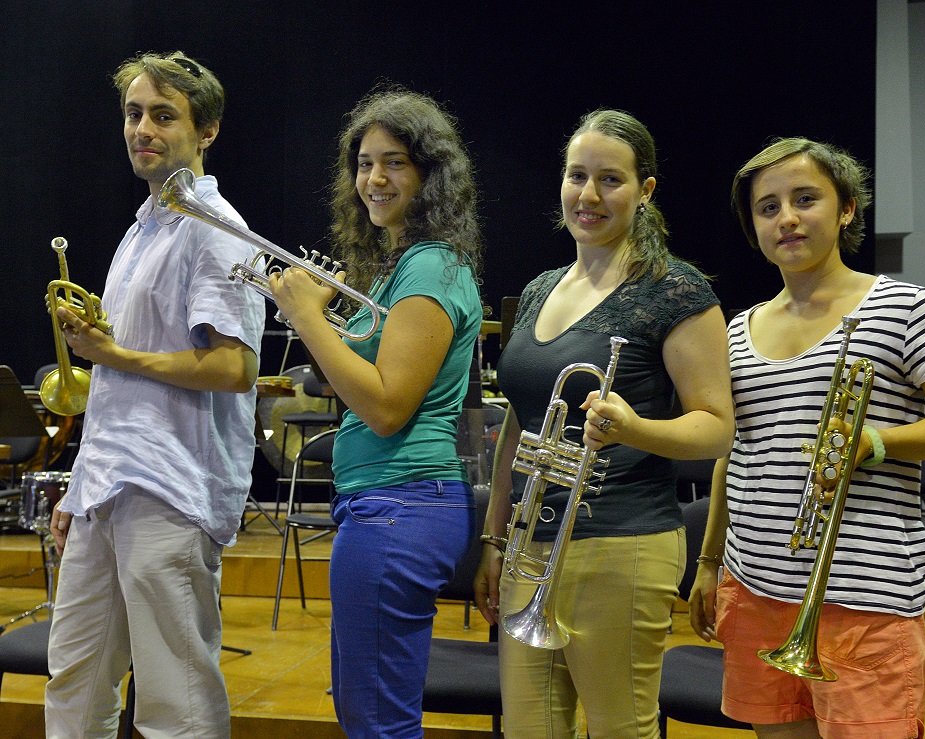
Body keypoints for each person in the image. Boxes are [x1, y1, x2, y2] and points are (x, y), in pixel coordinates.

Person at [689, 137, 925, 739]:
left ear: (847, 209)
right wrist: (709, 562)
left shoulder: (907, 309)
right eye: (767, 207)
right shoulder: (734, 330)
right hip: (754, 585)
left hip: (866, 593)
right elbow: (733, 456)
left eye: (806, 198)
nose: (787, 218)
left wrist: (876, 442)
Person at [472, 109, 735, 739]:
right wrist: (493, 536)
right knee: (529, 731)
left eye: (609, 180)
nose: (587, 196)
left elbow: (717, 427)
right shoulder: (539, 289)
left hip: (623, 543)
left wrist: (633, 429)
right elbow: (522, 422)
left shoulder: (675, 290)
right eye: (576, 176)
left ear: (645, 191)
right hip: (529, 546)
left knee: (619, 728)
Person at [44, 51, 265, 737]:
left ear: (208, 131)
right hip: (109, 484)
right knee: (74, 682)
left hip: (171, 487)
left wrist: (112, 352)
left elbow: (234, 367)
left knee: (177, 699)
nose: (143, 128)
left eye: (163, 116)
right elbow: (113, 388)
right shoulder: (141, 228)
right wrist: (81, 484)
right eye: (134, 113)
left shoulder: (215, 227)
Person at [267, 87, 484, 738]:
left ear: (430, 174)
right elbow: (365, 385)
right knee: (370, 713)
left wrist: (308, 317)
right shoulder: (402, 268)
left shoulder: (428, 268)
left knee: (377, 722)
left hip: (401, 507)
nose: (374, 178)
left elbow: (388, 407)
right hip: (389, 504)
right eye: (364, 162)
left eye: (395, 162)